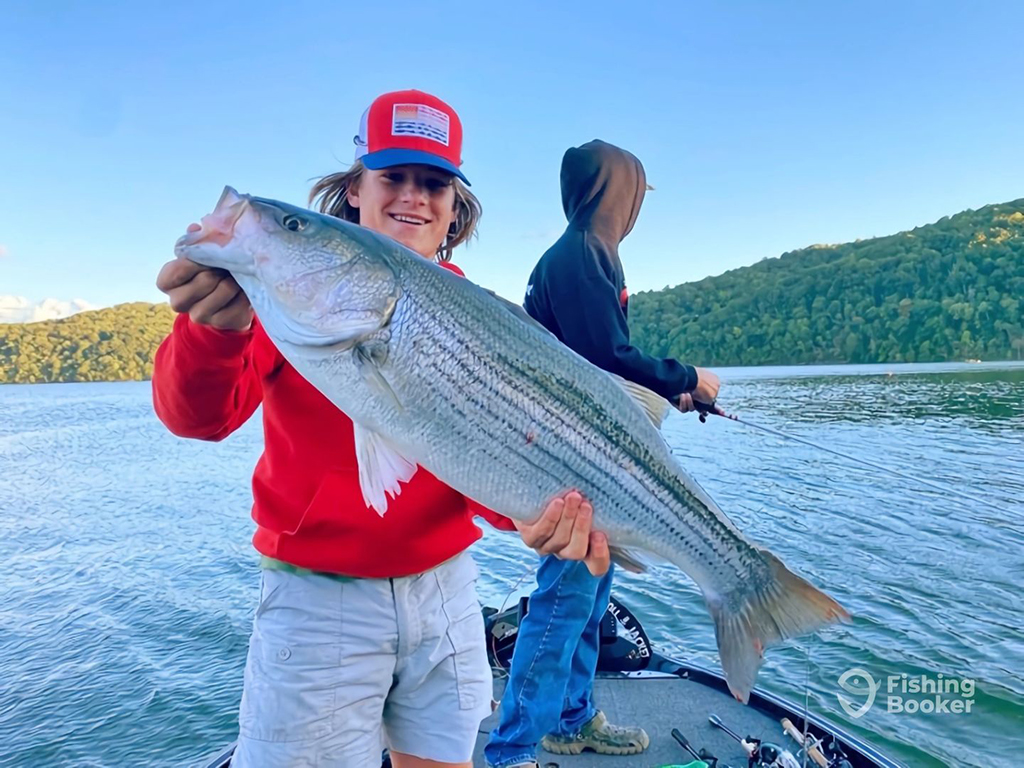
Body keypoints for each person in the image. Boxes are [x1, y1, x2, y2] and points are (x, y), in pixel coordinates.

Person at [152, 90, 609, 768]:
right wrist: (212, 331)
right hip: (317, 597)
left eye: (434, 183)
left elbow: (485, 468)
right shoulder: (290, 295)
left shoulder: (484, 315)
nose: (414, 197)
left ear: (455, 208)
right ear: (354, 191)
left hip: (446, 590)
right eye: (393, 176)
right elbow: (199, 418)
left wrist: (535, 518)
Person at [484, 140, 721, 768]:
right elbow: (607, 359)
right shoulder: (581, 256)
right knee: (561, 608)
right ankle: (510, 752)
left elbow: (602, 371)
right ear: (619, 191)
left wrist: (672, 392)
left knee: (587, 602)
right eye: (635, 190)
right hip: (571, 467)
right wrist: (686, 376)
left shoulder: (591, 256)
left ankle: (573, 720)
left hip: (595, 464)